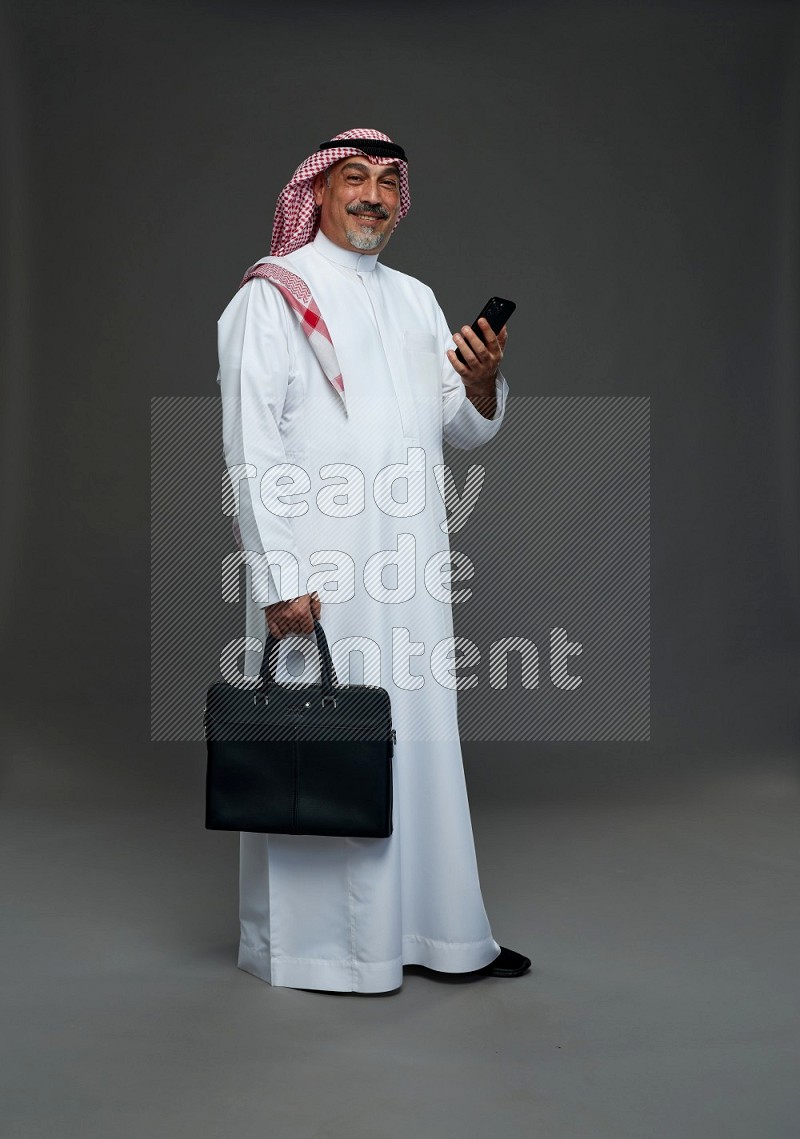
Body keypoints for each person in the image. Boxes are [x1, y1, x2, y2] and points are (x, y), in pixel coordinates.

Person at [217, 127, 530, 993]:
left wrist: (477, 379)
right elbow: (251, 448)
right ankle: (330, 951)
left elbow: (458, 426)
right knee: (325, 745)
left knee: (416, 740)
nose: (373, 196)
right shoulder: (271, 295)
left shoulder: (417, 299)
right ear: (315, 192)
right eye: (354, 178)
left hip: (410, 567)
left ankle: (437, 933)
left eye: (390, 182)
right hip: (319, 576)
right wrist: (281, 582)